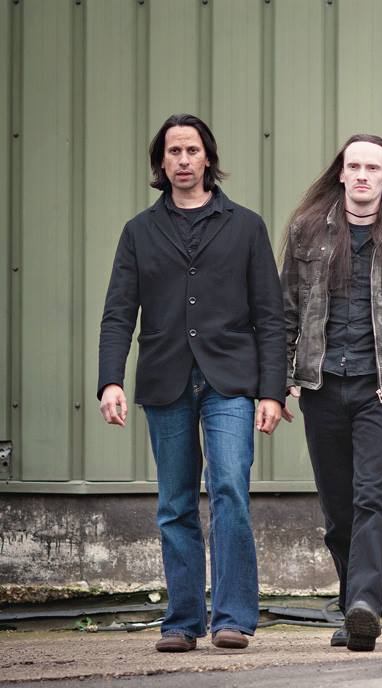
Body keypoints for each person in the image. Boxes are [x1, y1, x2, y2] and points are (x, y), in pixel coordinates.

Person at [97, 114, 286, 653]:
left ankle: (233, 618)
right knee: (175, 502)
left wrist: (271, 390)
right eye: (174, 151)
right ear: (161, 162)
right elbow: (118, 314)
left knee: (230, 490)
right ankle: (181, 622)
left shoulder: (246, 226)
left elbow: (270, 316)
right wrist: (110, 381)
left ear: (208, 159)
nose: (183, 160)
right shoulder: (139, 231)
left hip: (230, 380)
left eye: (192, 150)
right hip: (166, 378)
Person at [279, 134, 382, 652]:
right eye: (354, 166)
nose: (362, 176)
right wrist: (278, 379)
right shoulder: (307, 231)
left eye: (372, 168)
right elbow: (286, 310)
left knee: (370, 497)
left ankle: (364, 606)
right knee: (337, 510)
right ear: (341, 173)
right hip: (321, 386)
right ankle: (354, 606)